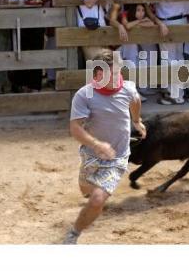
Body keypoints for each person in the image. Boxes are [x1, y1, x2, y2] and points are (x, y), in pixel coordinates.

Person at [63, 49, 146, 245]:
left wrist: (137, 121)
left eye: (118, 72)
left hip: (117, 157)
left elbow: (135, 101)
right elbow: (75, 128)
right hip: (90, 154)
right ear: (98, 74)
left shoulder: (127, 87)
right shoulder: (84, 95)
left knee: (97, 199)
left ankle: (73, 234)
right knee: (86, 189)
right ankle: (91, 192)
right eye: (113, 74)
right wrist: (96, 144)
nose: (118, 77)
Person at [154, 0, 189, 105]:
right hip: (183, 20)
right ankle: (179, 93)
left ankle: (173, 94)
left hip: (168, 22)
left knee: (168, 58)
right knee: (179, 57)